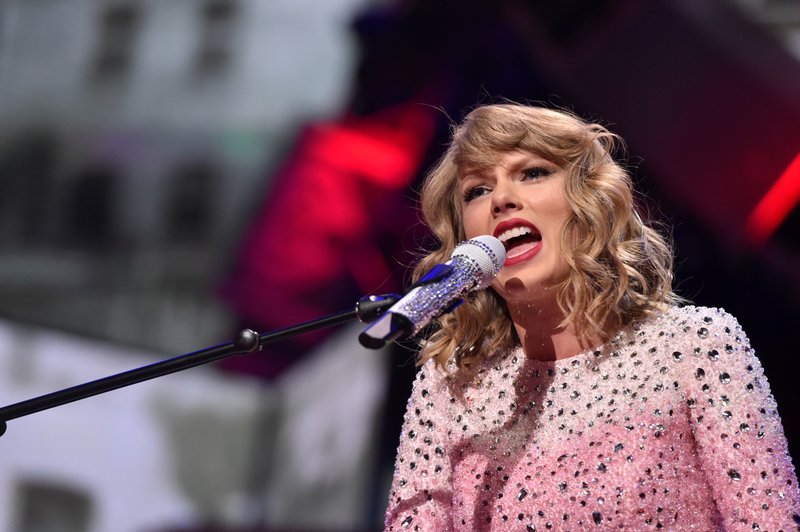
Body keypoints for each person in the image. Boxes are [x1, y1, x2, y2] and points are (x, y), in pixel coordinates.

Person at [383, 103, 800, 530]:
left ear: (588, 200)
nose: (501, 199)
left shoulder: (694, 347)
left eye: (532, 173)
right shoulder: (451, 387)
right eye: (477, 191)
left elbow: (767, 520)